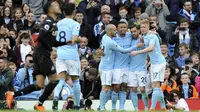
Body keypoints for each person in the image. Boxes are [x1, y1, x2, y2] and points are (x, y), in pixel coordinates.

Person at [6, 1, 72, 110]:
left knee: (40, 84)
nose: (59, 6)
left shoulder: (53, 23)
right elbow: (41, 37)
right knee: (55, 80)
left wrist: (67, 42)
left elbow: (52, 42)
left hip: (39, 54)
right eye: (56, 5)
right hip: (42, 54)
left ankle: (12, 95)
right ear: (50, 9)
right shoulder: (48, 21)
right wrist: (50, 50)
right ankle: (39, 104)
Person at [130, 19, 166, 110]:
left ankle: (152, 108)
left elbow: (151, 48)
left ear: (148, 27)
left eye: (144, 27)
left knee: (155, 85)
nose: (142, 29)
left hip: (159, 63)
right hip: (154, 64)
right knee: (156, 86)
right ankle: (163, 107)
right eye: (141, 27)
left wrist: (137, 52)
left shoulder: (152, 37)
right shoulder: (144, 37)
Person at [98, 24, 135, 111]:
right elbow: (124, 51)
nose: (116, 31)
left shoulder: (105, 37)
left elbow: (101, 49)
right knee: (106, 87)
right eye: (115, 30)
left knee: (112, 87)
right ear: (111, 31)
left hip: (110, 66)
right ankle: (102, 106)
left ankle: (103, 106)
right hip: (107, 67)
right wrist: (137, 46)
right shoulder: (111, 41)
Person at [53, 3, 81, 110]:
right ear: (74, 12)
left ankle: (55, 98)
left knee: (61, 80)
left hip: (60, 54)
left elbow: (54, 39)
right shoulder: (75, 24)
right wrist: (80, 39)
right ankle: (77, 105)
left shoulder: (58, 23)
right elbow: (74, 40)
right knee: (76, 80)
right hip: (72, 55)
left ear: (64, 12)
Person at [128, 23, 148, 111]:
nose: (133, 33)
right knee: (133, 89)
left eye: (135, 31)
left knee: (143, 89)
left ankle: (146, 107)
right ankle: (136, 109)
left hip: (142, 69)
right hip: (131, 69)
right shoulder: (130, 41)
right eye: (131, 32)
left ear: (139, 30)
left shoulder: (143, 39)